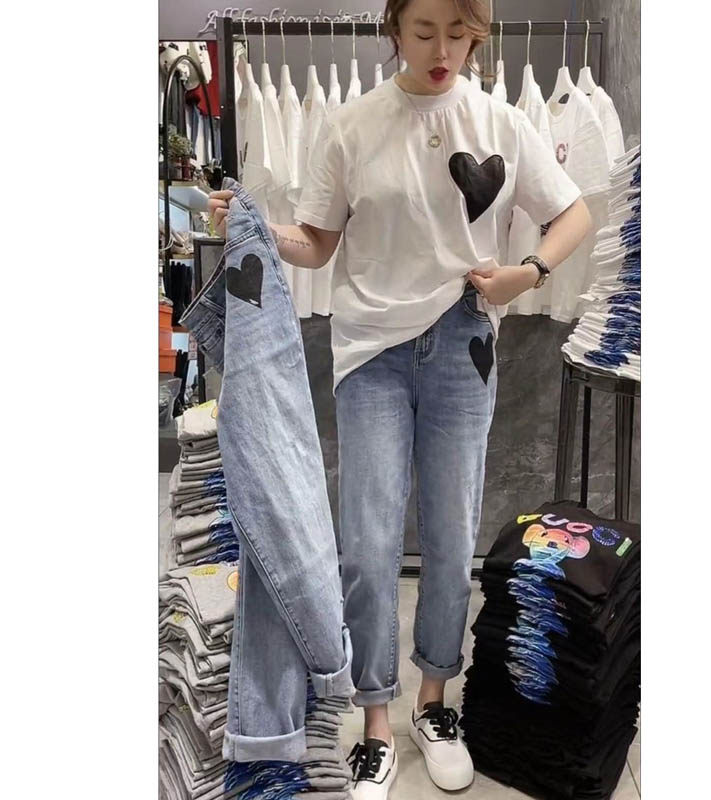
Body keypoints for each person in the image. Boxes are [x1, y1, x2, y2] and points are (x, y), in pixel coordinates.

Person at [209, 1, 591, 797]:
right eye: (424, 32)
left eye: (459, 33)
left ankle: (434, 705)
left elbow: (574, 212)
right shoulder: (351, 125)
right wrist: (254, 224)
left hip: (463, 342)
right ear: (394, 29)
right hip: (371, 353)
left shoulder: (500, 122)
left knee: (451, 536)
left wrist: (528, 273)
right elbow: (318, 242)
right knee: (369, 540)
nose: (442, 49)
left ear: (476, 33)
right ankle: (376, 721)